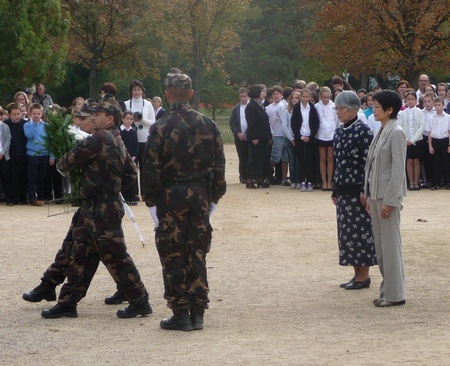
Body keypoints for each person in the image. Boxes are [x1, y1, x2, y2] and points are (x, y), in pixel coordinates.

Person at [40, 97, 151, 319]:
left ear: (109, 118)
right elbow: (131, 172)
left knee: (116, 255)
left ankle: (140, 301)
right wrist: (112, 186)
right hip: (103, 203)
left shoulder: (100, 137)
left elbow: (67, 161)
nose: (93, 117)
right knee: (82, 254)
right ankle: (67, 302)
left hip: (101, 208)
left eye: (97, 115)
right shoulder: (117, 139)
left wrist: (91, 182)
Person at [141, 68, 226, 331]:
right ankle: (198, 310)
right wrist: (214, 198)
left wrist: (151, 202)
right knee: (197, 251)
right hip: (199, 193)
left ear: (167, 95)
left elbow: (150, 169)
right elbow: (219, 164)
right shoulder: (208, 124)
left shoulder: (161, 127)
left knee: (172, 253)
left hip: (171, 195)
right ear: (190, 93)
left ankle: (180, 312)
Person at [364, 90, 407, 307]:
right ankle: (387, 290)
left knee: (390, 248)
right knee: (381, 248)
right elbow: (372, 165)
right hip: (376, 195)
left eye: (378, 106)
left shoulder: (396, 132)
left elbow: (398, 170)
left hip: (387, 198)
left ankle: (395, 294)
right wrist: (367, 193)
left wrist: (390, 201)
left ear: (389, 109)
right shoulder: (382, 130)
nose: (374, 109)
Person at [332, 91, 376, 290]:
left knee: (361, 233)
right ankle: (356, 273)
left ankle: (363, 276)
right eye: (337, 108)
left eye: (341, 108)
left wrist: (364, 191)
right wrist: (335, 189)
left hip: (358, 191)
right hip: (343, 190)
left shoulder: (363, 131)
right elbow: (338, 163)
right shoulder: (340, 131)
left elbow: (369, 165)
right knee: (347, 234)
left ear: (354, 109)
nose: (338, 112)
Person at [124, 80, 156, 197]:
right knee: (132, 166)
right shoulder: (127, 104)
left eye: (138, 90)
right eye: (134, 90)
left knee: (145, 167)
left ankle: (145, 192)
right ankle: (132, 193)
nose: (136, 92)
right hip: (131, 139)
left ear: (142, 91)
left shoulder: (148, 105)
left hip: (144, 138)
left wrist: (142, 119)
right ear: (131, 91)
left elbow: (153, 123)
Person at [24, 103, 55, 206]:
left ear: (42, 114)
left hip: (44, 154)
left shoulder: (46, 126)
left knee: (42, 177)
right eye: (34, 113)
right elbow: (29, 135)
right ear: (30, 114)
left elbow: (50, 141)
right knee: (32, 177)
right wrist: (34, 124)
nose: (36, 115)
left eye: (38, 113)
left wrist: (52, 155)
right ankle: (32, 197)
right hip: (32, 155)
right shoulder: (27, 125)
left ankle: (42, 197)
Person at [291, 89, 320, 192]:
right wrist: (299, 136)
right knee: (301, 160)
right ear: (301, 97)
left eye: (307, 97)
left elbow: (316, 123)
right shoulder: (296, 108)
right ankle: (302, 181)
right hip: (300, 137)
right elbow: (293, 124)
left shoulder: (312, 108)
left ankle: (310, 181)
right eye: (303, 97)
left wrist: (311, 136)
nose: (305, 98)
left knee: (310, 160)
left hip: (310, 137)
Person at [245, 84, 272, 188]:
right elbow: (252, 123)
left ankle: (260, 178)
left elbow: (265, 121)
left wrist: (269, 136)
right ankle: (249, 179)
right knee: (254, 159)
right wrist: (254, 137)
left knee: (263, 159)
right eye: (261, 91)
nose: (263, 93)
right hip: (256, 138)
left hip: (263, 137)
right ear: (256, 93)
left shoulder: (260, 104)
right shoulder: (250, 106)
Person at [398, 91, 425, 190]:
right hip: (406, 140)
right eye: (408, 99)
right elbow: (400, 126)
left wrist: (413, 140)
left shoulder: (420, 112)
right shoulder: (402, 113)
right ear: (405, 100)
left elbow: (421, 126)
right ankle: (411, 182)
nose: (410, 101)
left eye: (412, 99)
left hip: (417, 140)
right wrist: (406, 139)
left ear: (416, 100)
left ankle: (416, 182)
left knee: (416, 161)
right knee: (409, 161)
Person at [315, 86, 339, 190]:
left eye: (327, 97)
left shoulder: (334, 106)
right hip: (320, 135)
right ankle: (324, 182)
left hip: (331, 135)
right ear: (320, 96)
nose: (326, 99)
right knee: (322, 159)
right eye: (324, 97)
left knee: (330, 158)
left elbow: (337, 121)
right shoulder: (316, 106)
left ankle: (330, 182)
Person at [4, 103, 28, 205]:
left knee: (22, 175)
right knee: (12, 177)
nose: (17, 116)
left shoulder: (24, 124)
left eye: (18, 114)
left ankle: (23, 197)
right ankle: (11, 198)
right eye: (14, 114)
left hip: (22, 154)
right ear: (9, 115)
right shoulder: (5, 124)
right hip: (9, 154)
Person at [266, 86, 290, 186]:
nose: (276, 96)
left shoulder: (285, 105)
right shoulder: (269, 108)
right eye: (274, 94)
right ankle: (268, 175)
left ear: (281, 95)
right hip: (277, 134)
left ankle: (284, 178)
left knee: (285, 157)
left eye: (278, 94)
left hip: (286, 134)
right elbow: (270, 123)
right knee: (275, 156)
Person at [426, 96, 450, 190]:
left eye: (439, 105)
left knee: (446, 162)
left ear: (443, 105)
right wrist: (430, 146)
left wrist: (449, 144)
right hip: (435, 141)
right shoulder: (431, 118)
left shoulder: (448, 117)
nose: (437, 107)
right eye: (435, 105)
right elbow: (429, 132)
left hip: (445, 141)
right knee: (435, 163)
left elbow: (449, 132)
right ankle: (436, 183)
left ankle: (447, 182)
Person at [229, 87, 249, 184]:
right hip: (239, 137)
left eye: (244, 96)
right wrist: (238, 133)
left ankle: (250, 175)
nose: (243, 98)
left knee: (251, 157)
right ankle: (242, 176)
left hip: (250, 136)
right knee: (242, 157)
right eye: (241, 96)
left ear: (248, 96)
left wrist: (248, 133)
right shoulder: (236, 108)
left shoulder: (252, 106)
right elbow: (232, 122)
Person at [120, 110, 139, 205]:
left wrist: (134, 156)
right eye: (127, 118)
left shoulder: (133, 132)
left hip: (132, 158)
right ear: (122, 119)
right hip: (122, 158)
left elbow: (136, 145)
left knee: (132, 176)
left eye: (131, 119)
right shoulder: (119, 132)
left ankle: (132, 196)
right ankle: (124, 197)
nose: (129, 120)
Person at [0, 117, 11, 205]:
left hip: (4, 155)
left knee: (6, 177)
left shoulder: (5, 126)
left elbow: (8, 140)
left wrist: (2, 152)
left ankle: (9, 198)